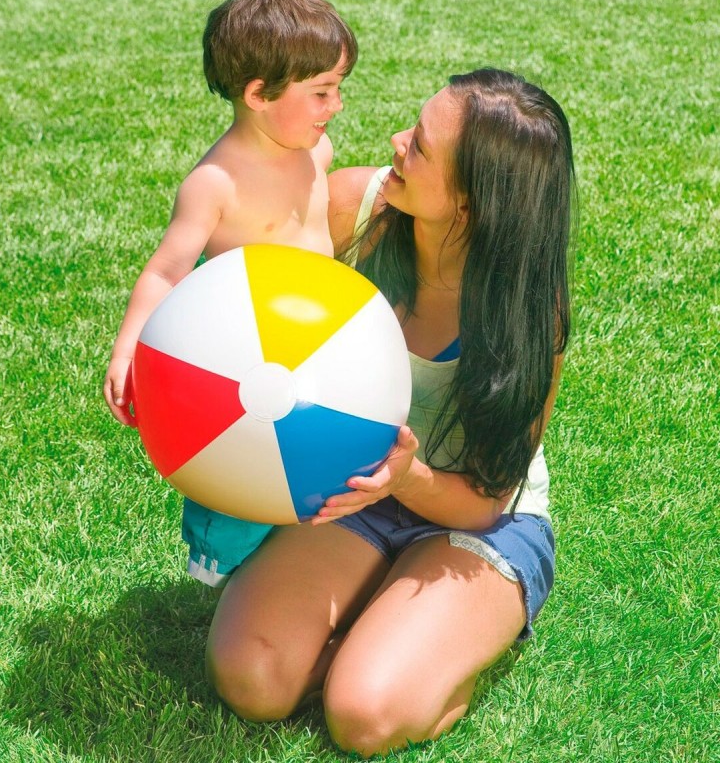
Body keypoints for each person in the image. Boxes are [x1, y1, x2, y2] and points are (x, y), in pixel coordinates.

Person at [205, 68, 576, 757]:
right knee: (252, 679)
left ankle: (430, 650)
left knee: (365, 717)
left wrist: (405, 477)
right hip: (355, 494)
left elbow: (485, 501)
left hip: (478, 523)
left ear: (470, 204)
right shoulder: (356, 210)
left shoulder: (528, 313)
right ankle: (380, 618)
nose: (397, 142)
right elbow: (246, 300)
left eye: (421, 147)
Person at [102, 0, 357, 585]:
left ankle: (299, 571)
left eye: (338, 89)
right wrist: (128, 348)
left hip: (315, 347)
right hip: (243, 364)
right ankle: (219, 570)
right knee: (243, 474)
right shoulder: (216, 184)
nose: (337, 106)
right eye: (322, 92)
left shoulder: (316, 153)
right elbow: (167, 270)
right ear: (259, 94)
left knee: (316, 466)